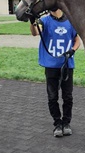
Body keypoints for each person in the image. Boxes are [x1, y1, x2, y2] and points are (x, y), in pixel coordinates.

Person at [30, 9, 81, 137]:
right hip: (51, 65)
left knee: (67, 96)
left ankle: (66, 122)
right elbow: (35, 32)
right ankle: (57, 123)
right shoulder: (45, 21)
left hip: (67, 64)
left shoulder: (70, 20)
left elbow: (77, 40)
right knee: (52, 97)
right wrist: (32, 22)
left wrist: (73, 50)